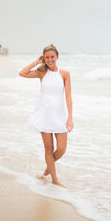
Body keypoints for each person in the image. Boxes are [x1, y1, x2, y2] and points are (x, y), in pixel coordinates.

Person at [19, 44, 73, 187]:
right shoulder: (41, 73)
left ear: (57, 57)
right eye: (47, 57)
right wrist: (37, 61)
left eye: (52, 57)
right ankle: (55, 180)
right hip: (44, 115)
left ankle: (48, 169)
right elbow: (22, 73)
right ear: (44, 58)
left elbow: (68, 97)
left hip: (60, 116)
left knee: (61, 149)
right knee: (48, 149)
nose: (50, 60)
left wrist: (70, 117)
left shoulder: (65, 74)